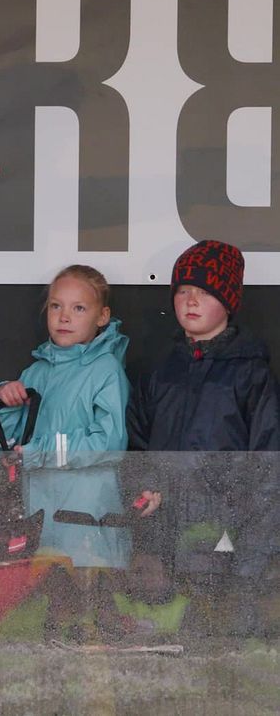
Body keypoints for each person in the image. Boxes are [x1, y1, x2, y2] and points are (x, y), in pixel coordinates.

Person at [127, 239, 280, 633]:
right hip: (162, 539)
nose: (191, 301)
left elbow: (267, 465)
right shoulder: (160, 367)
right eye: (183, 291)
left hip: (223, 540)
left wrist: (250, 562)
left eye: (205, 292)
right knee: (162, 640)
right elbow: (138, 442)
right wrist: (146, 487)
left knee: (217, 640)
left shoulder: (251, 372)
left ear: (227, 300)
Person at [0, 265, 148, 571]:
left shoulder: (106, 370)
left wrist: (40, 453)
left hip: (88, 520)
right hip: (39, 517)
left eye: (79, 308)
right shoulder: (35, 372)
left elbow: (109, 442)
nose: (64, 317)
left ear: (102, 317)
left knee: (89, 606)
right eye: (56, 306)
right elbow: (8, 449)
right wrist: (2, 401)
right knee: (46, 602)